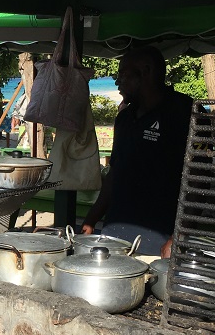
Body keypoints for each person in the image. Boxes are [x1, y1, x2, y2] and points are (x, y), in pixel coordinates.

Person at [80, 45, 198, 257]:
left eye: (123, 74)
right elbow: (115, 173)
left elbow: (199, 183)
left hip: (161, 241)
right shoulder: (125, 118)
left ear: (146, 71)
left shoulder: (185, 113)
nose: (118, 82)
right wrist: (91, 219)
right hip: (114, 236)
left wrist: (177, 238)